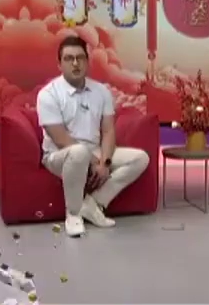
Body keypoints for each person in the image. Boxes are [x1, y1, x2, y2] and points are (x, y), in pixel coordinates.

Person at [38, 35, 150, 237]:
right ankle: (73, 214)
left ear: (87, 61)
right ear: (59, 64)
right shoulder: (48, 94)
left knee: (140, 158)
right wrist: (94, 162)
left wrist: (105, 162)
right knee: (78, 152)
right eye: (69, 58)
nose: (75, 63)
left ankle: (93, 203)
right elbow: (60, 139)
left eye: (80, 58)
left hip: (94, 152)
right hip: (59, 156)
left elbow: (108, 130)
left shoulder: (101, 91)